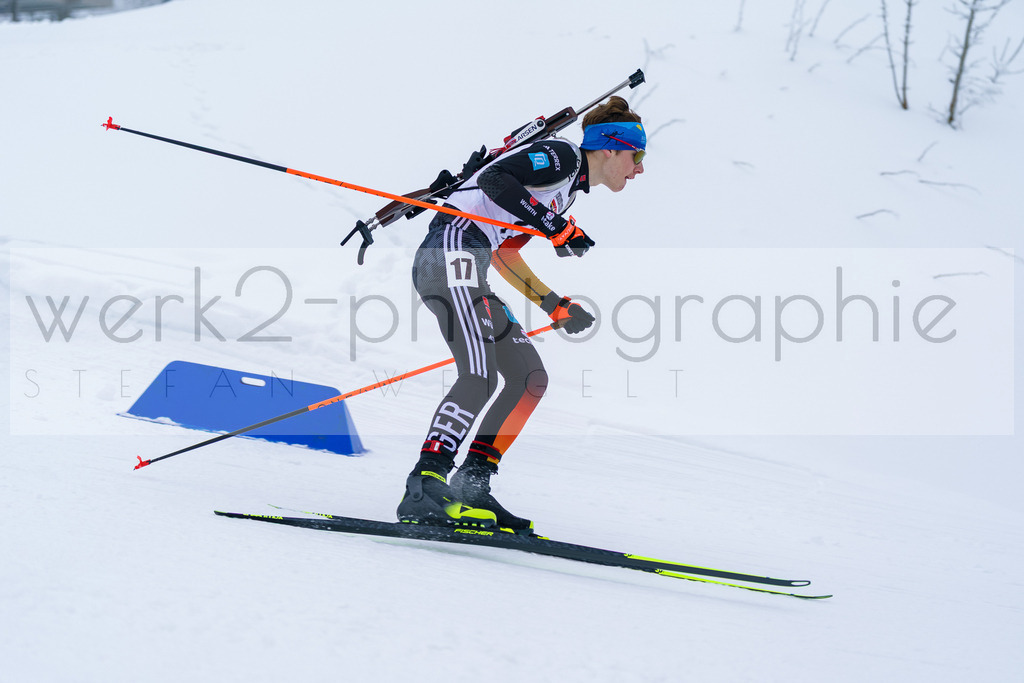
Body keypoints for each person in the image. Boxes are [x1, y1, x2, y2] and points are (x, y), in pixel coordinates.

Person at [397, 96, 647, 533]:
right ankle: (426, 480)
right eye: (636, 156)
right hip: (449, 250)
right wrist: (554, 229)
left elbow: (505, 253)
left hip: (472, 262)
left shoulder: (565, 194)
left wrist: (553, 303)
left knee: (530, 377)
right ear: (609, 148)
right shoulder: (564, 156)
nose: (639, 168)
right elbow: (495, 179)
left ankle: (472, 484)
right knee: (479, 374)